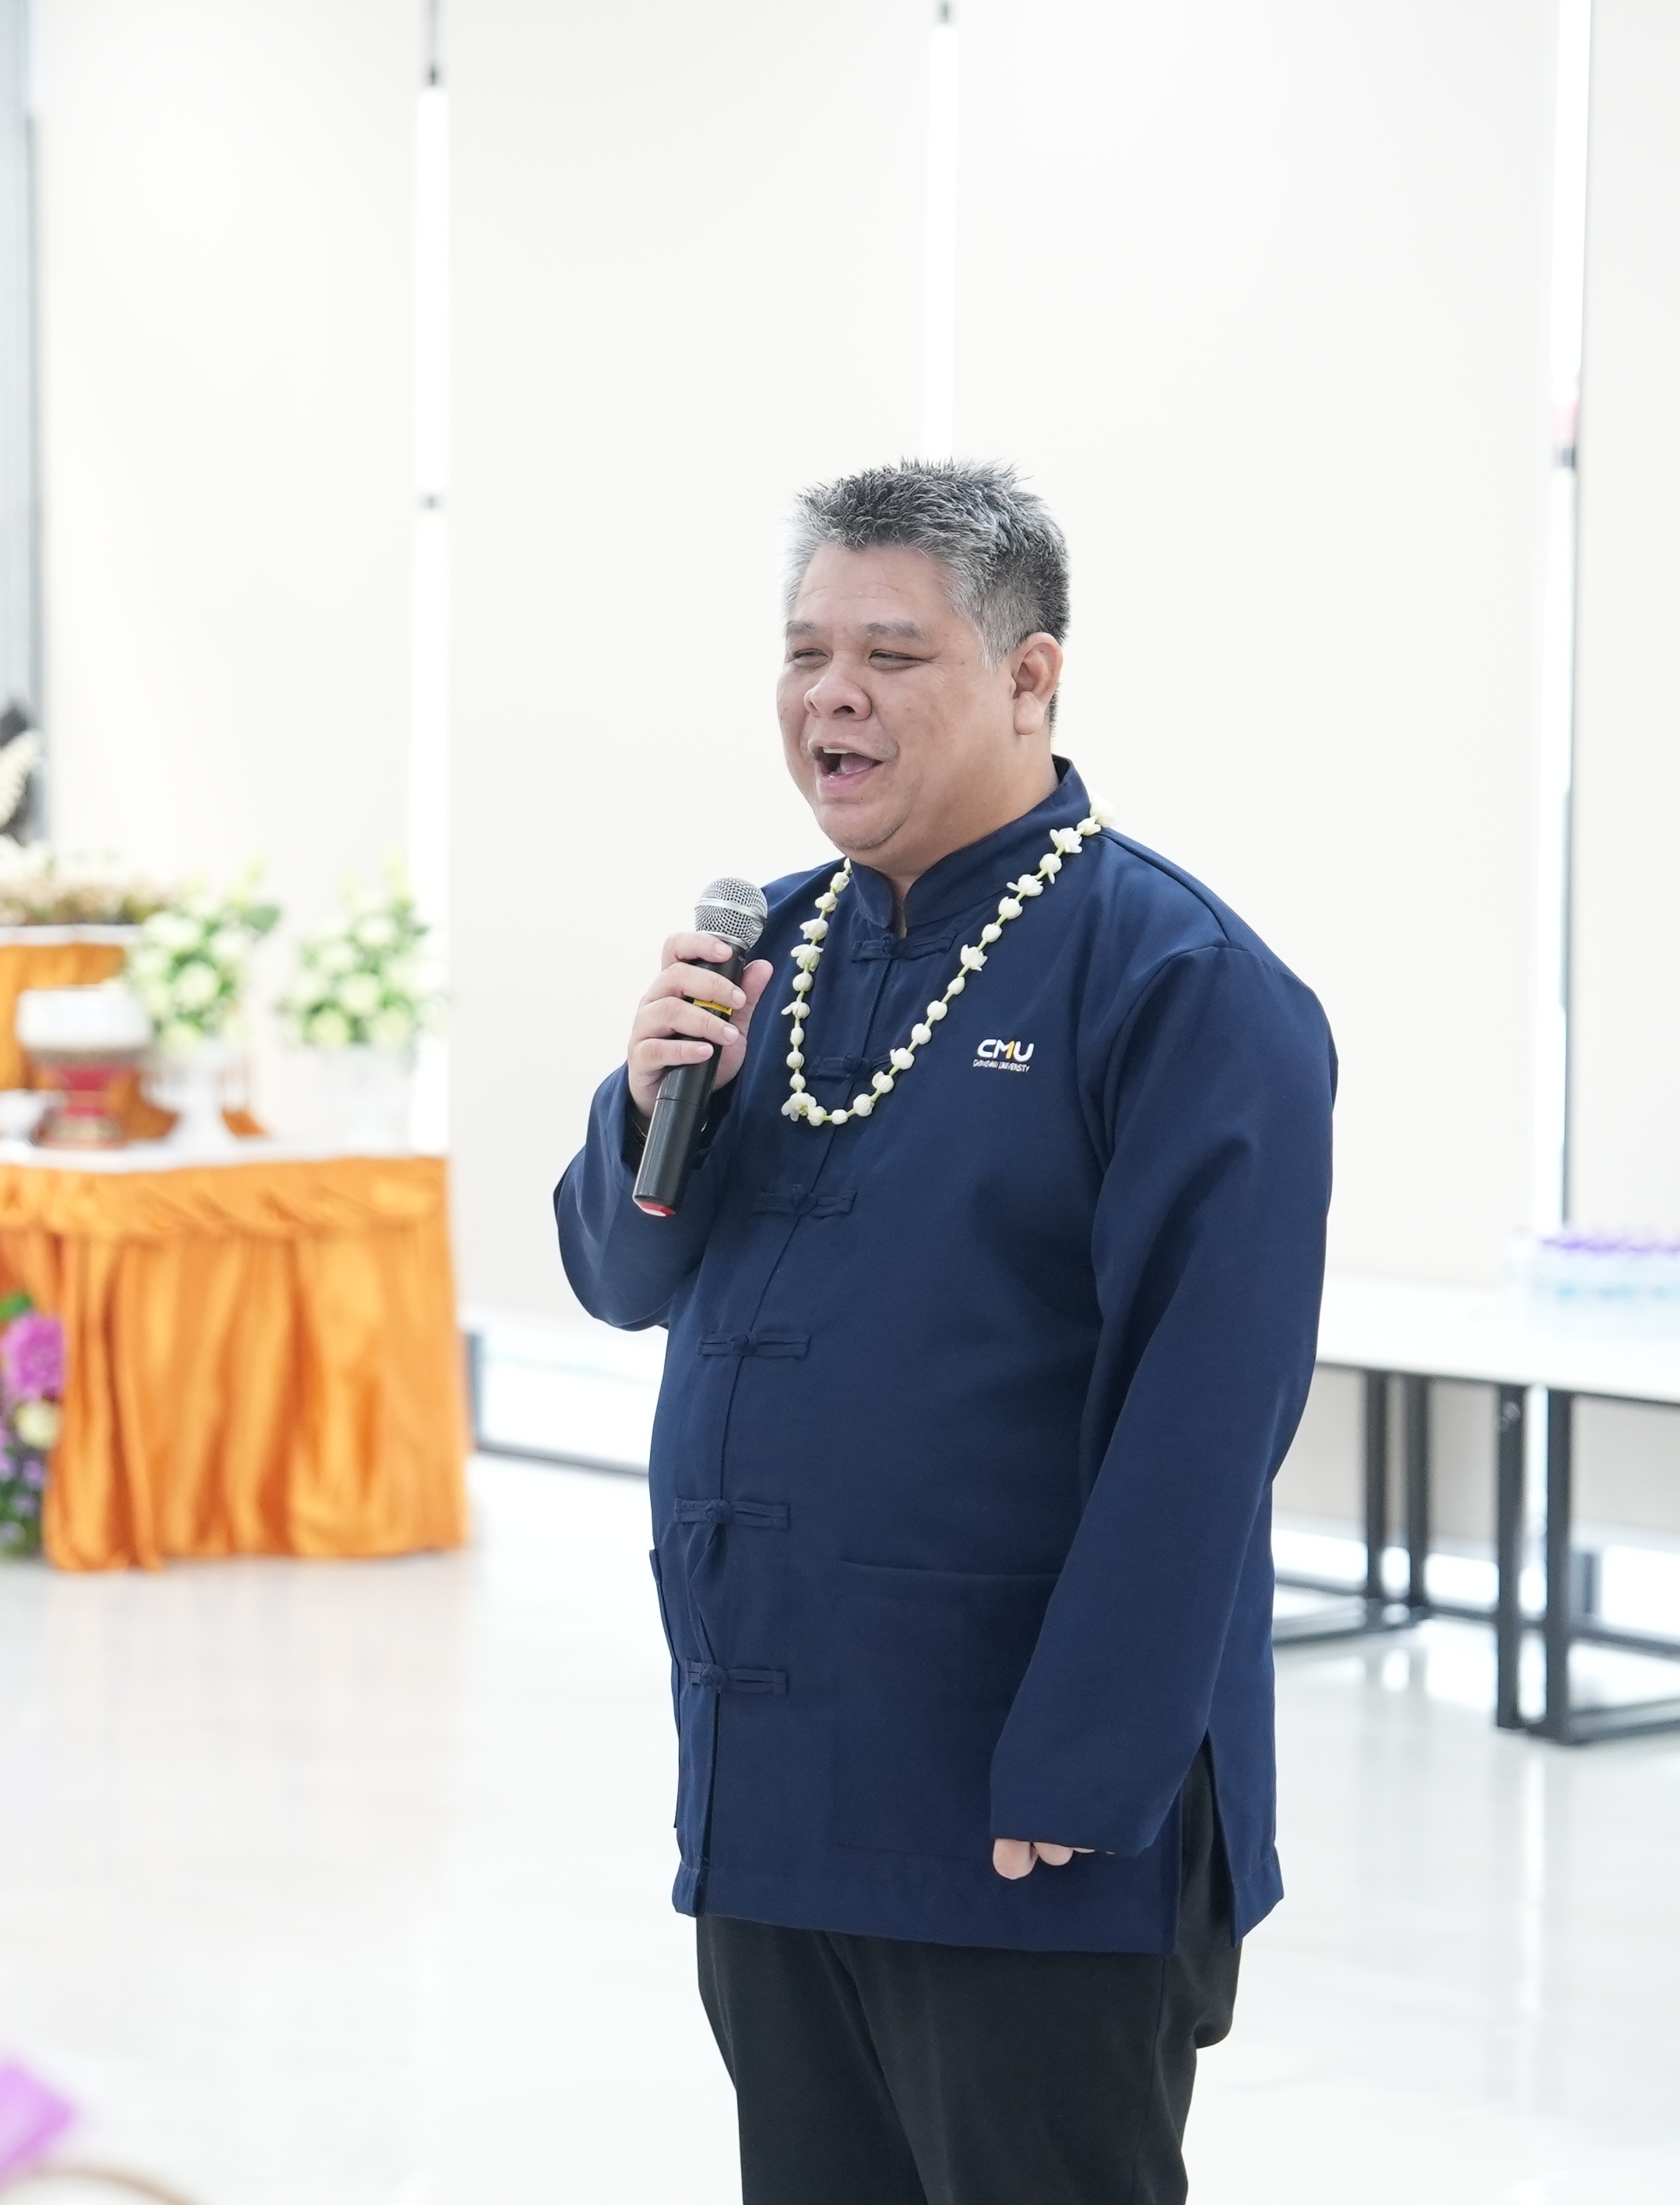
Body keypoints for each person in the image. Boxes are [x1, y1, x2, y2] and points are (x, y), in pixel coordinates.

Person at [553, 459, 1335, 2205]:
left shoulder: (1179, 980)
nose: (831, 695)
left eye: (890, 655)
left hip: (1021, 1806)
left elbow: (1205, 1420)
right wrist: (650, 1102)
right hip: (778, 1774)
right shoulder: (768, 957)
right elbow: (618, 1276)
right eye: (804, 651)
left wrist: (1088, 1768)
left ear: (1029, 678)